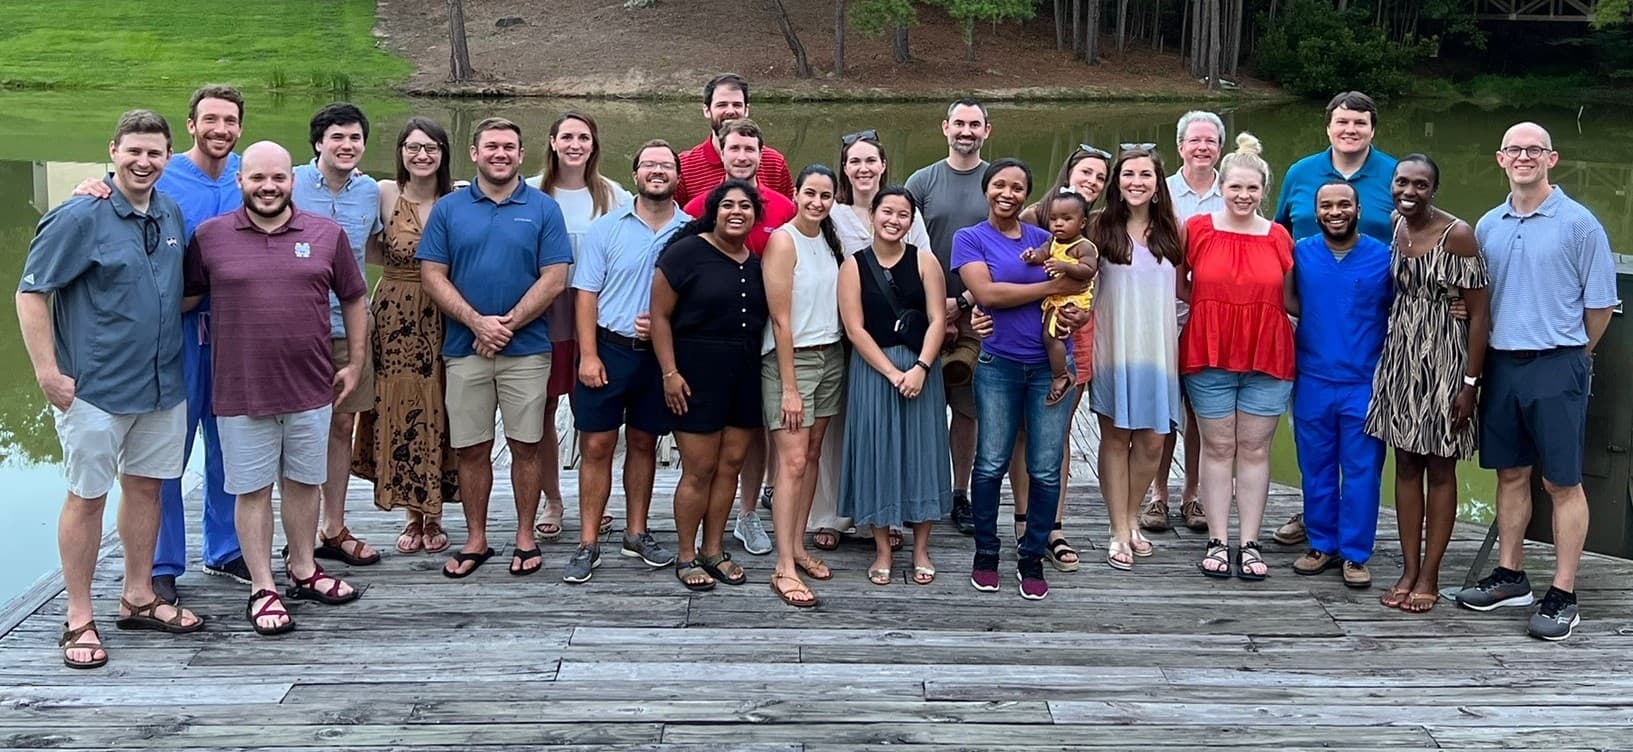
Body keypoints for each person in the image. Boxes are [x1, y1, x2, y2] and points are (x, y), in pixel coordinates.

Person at [19, 110, 204, 667]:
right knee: (87, 496)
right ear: (113, 151)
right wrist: (47, 372)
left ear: (169, 157)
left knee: (147, 489)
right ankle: (79, 617)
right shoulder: (80, 214)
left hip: (161, 384)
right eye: (133, 152)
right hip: (94, 388)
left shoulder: (170, 211)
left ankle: (139, 594)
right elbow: (31, 293)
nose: (143, 162)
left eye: (154, 153)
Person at [68, 87, 251, 603]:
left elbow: (303, 185)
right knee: (165, 454)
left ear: (240, 127)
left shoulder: (247, 174)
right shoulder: (162, 176)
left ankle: (227, 547)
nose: (220, 129)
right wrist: (90, 186)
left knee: (233, 447)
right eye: (210, 119)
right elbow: (113, 194)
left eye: (230, 121)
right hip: (173, 336)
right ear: (190, 126)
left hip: (239, 336)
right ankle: (162, 562)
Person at [185, 140, 367, 635]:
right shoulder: (209, 237)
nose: (269, 187)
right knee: (252, 490)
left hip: (312, 387)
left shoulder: (326, 235)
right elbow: (182, 299)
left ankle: (304, 568)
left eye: (279, 179)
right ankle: (262, 586)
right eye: (258, 178)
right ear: (240, 181)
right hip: (241, 389)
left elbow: (353, 298)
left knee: (306, 483)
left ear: (294, 180)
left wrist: (356, 361)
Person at [1456, 122, 1618, 642]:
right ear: (1501, 159)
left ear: (1552, 159)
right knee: (1510, 473)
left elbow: (1599, 307)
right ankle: (1511, 575)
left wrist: (1572, 355)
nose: (1524, 157)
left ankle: (1564, 593)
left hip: (1558, 363)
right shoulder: (1488, 225)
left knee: (1562, 482)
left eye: (1534, 150)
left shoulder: (1580, 225)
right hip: (1502, 364)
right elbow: (1478, 298)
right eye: (1514, 150)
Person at [417, 117, 574, 579]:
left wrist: (507, 324)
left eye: (508, 146)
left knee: (526, 445)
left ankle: (525, 537)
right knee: (471, 448)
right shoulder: (449, 209)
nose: (500, 154)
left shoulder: (543, 208)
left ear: (521, 154)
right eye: (491, 147)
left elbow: (555, 277)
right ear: (475, 153)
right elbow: (432, 274)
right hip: (465, 349)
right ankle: (476, 538)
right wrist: (477, 323)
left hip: (526, 349)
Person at [1270, 92, 1398, 547]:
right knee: (1315, 451)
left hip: (1366, 327)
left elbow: (1420, 238)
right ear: (1328, 127)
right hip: (1310, 324)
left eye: (1359, 123)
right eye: (1342, 121)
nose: (1350, 129)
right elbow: (1275, 233)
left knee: (1361, 459)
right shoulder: (1301, 173)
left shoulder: (1393, 174)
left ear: (1372, 128)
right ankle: (1317, 525)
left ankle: (1354, 546)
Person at [956, 158, 1088, 600]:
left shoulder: (1047, 238)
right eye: (999, 185)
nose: (1007, 193)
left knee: (1046, 468)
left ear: (1027, 194)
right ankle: (987, 551)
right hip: (998, 364)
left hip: (1051, 367)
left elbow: (1084, 283)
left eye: (1017, 186)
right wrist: (1051, 290)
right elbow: (989, 293)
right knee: (991, 461)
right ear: (986, 188)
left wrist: (1075, 309)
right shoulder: (970, 238)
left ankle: (1032, 554)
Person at [1363, 155, 1491, 611]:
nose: (1409, 191)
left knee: (1440, 467)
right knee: (1405, 465)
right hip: (1401, 358)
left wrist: (1470, 384)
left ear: (1434, 189)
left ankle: (1431, 576)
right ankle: (1408, 567)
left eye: (1420, 184)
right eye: (1402, 182)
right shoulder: (1397, 226)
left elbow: (1479, 316)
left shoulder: (1457, 234)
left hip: (1446, 363)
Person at [566, 140, 688, 583]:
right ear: (634, 173)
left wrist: (661, 325)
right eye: (649, 164)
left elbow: (694, 298)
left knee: (643, 442)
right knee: (596, 446)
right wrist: (588, 355)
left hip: (658, 358)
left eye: (666, 165)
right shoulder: (606, 228)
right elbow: (585, 294)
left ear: (678, 175)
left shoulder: (691, 231)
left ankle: (636, 533)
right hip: (609, 348)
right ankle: (588, 541)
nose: (658, 171)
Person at [1180, 133, 1295, 582]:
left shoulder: (1279, 236)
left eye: (1252, 189)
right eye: (1236, 187)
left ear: (1264, 190)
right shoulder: (1198, 229)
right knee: (1218, 446)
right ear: (1221, 186)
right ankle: (1216, 538)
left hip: (1267, 355)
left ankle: (1248, 542)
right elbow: (1180, 284)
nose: (1244, 196)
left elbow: (1289, 298)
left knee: (1253, 448)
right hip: (1209, 351)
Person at [680, 118, 795, 556]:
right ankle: (698, 533)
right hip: (710, 339)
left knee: (755, 430)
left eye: (750, 149)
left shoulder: (782, 207)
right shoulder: (699, 207)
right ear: (721, 153)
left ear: (761, 155)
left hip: (768, 332)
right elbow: (674, 267)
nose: (743, 156)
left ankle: (747, 513)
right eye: (734, 149)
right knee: (709, 444)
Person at [651, 180, 770, 591]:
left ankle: (714, 549)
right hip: (694, 375)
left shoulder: (754, 262)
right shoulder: (686, 253)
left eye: (746, 206)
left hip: (744, 376)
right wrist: (669, 372)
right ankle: (686, 554)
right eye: (728, 205)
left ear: (756, 216)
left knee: (730, 467)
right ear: (713, 211)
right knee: (699, 469)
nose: (737, 212)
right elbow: (660, 317)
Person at [349, 117, 460, 556]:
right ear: (400, 152)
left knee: (439, 404)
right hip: (395, 311)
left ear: (443, 154)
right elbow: (365, 242)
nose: (421, 155)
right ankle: (412, 514)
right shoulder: (381, 192)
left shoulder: (458, 196)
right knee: (398, 404)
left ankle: (436, 512)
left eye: (431, 148)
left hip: (444, 310)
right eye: (413, 147)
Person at [527, 111, 632, 544]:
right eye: (567, 136)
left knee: (595, 413)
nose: (575, 144)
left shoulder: (613, 195)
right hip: (545, 313)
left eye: (583, 137)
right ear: (552, 142)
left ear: (594, 144)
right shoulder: (533, 192)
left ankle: (596, 499)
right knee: (544, 410)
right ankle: (553, 498)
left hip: (597, 314)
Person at [839, 185, 952, 588]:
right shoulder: (853, 265)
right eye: (887, 212)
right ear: (872, 215)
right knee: (877, 453)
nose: (894, 220)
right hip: (874, 371)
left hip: (922, 368)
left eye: (903, 214)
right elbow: (854, 328)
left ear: (911, 221)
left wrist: (921, 366)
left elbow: (938, 319)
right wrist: (891, 372)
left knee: (922, 453)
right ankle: (883, 549)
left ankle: (921, 548)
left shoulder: (925, 261)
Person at [1285, 182, 1392, 592]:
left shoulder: (1383, 258)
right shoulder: (1301, 253)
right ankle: (1321, 544)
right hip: (1312, 377)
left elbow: (1410, 302)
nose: (1335, 211)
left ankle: (1354, 552)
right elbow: (1284, 300)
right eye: (1326, 204)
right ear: (1316, 211)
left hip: (1363, 382)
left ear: (1358, 209)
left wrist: (1458, 300)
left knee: (1363, 470)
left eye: (1343, 204)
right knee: (1315, 467)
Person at [1012, 145, 1115, 572]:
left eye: (1100, 177)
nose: (1091, 181)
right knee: (1023, 430)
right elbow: (1014, 269)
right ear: (1068, 172)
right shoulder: (1037, 216)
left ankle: (1052, 524)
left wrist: (1084, 311)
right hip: (1029, 328)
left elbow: (1093, 278)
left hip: (1080, 331)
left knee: (1058, 428)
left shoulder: (1098, 227)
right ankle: (1022, 519)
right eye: (1085, 172)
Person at [292, 102, 382, 568]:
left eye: (354, 139)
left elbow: (391, 242)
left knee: (342, 425)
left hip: (349, 324)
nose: (346, 147)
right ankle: (295, 531)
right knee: (293, 428)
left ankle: (333, 526)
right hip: (294, 327)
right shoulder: (287, 182)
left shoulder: (371, 192)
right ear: (318, 143)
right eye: (337, 138)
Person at [1090, 146, 1186, 572]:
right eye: (1128, 174)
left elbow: (1186, 292)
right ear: (1117, 181)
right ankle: (1118, 528)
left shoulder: (1173, 231)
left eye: (1145, 174)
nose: (1136, 182)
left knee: (1153, 439)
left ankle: (1132, 516)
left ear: (1157, 183)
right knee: (1115, 437)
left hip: (1160, 349)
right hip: (1114, 347)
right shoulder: (1099, 228)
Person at [906, 98, 993, 536]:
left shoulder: (996, 182)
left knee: (967, 411)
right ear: (944, 127)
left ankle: (960, 493)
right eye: (959, 122)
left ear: (986, 131)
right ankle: (918, 489)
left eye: (974, 124)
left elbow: (1005, 252)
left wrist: (963, 304)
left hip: (977, 315)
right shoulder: (922, 181)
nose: (966, 131)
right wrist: (935, 307)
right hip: (925, 315)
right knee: (919, 407)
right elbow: (905, 248)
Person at [762, 166, 848, 606]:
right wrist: (790, 387)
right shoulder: (783, 241)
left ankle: (798, 546)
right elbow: (779, 319)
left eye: (826, 195)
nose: (817, 202)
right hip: (790, 363)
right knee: (791, 463)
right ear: (795, 193)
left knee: (812, 455)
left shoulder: (829, 241)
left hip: (830, 354)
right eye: (810, 193)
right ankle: (783, 567)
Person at [1145, 111, 1226, 534]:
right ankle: (1158, 494)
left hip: (1209, 321)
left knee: (1200, 412)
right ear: (1179, 147)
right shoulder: (1162, 194)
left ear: (1220, 148)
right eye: (1194, 140)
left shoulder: (1231, 194)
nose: (1202, 148)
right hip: (1162, 315)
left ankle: (1191, 494)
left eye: (1210, 141)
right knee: (1163, 410)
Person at [1018, 190, 1097, 405]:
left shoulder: (1083, 246)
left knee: (1051, 336)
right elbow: (1043, 254)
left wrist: (1065, 266)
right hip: (1055, 297)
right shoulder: (1053, 241)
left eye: (1066, 219)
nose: (1058, 224)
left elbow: (1089, 270)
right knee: (1050, 334)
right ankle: (1060, 372)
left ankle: (1061, 375)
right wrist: (1032, 256)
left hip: (1073, 299)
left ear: (1082, 223)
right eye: (1053, 219)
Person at [675, 73, 794, 206]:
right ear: (707, 110)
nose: (730, 111)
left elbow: (789, 215)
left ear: (746, 110)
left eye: (737, 105)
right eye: (722, 105)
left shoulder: (775, 164)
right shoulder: (684, 167)